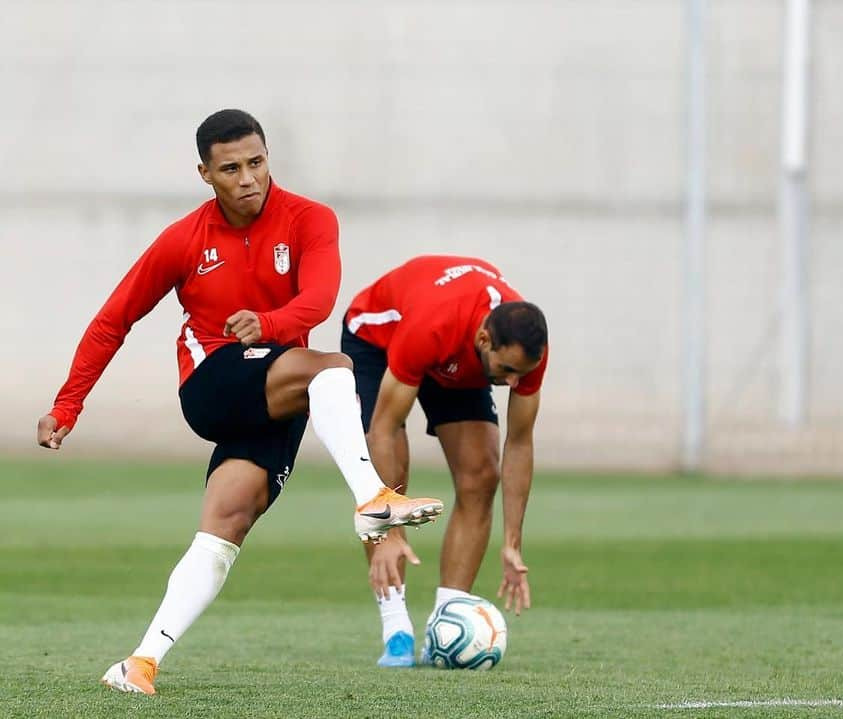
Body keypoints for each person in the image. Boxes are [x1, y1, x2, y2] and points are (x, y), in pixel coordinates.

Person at [36, 109, 444, 695]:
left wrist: (271, 323)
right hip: (212, 383)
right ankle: (372, 499)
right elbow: (113, 321)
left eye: (257, 162)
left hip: (276, 391)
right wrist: (67, 406)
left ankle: (139, 664)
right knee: (335, 368)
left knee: (227, 524)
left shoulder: (310, 218)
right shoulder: (184, 239)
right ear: (205, 174)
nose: (248, 177)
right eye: (231, 168)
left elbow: (320, 299)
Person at [340, 255, 548, 667]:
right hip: (378, 339)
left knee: (481, 475)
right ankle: (395, 626)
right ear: (486, 340)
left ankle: (445, 622)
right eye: (507, 371)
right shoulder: (433, 324)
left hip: (459, 359)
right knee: (390, 461)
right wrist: (393, 528)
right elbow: (383, 428)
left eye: (520, 375)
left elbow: (520, 444)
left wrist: (511, 543)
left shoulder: (524, 357)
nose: (513, 384)